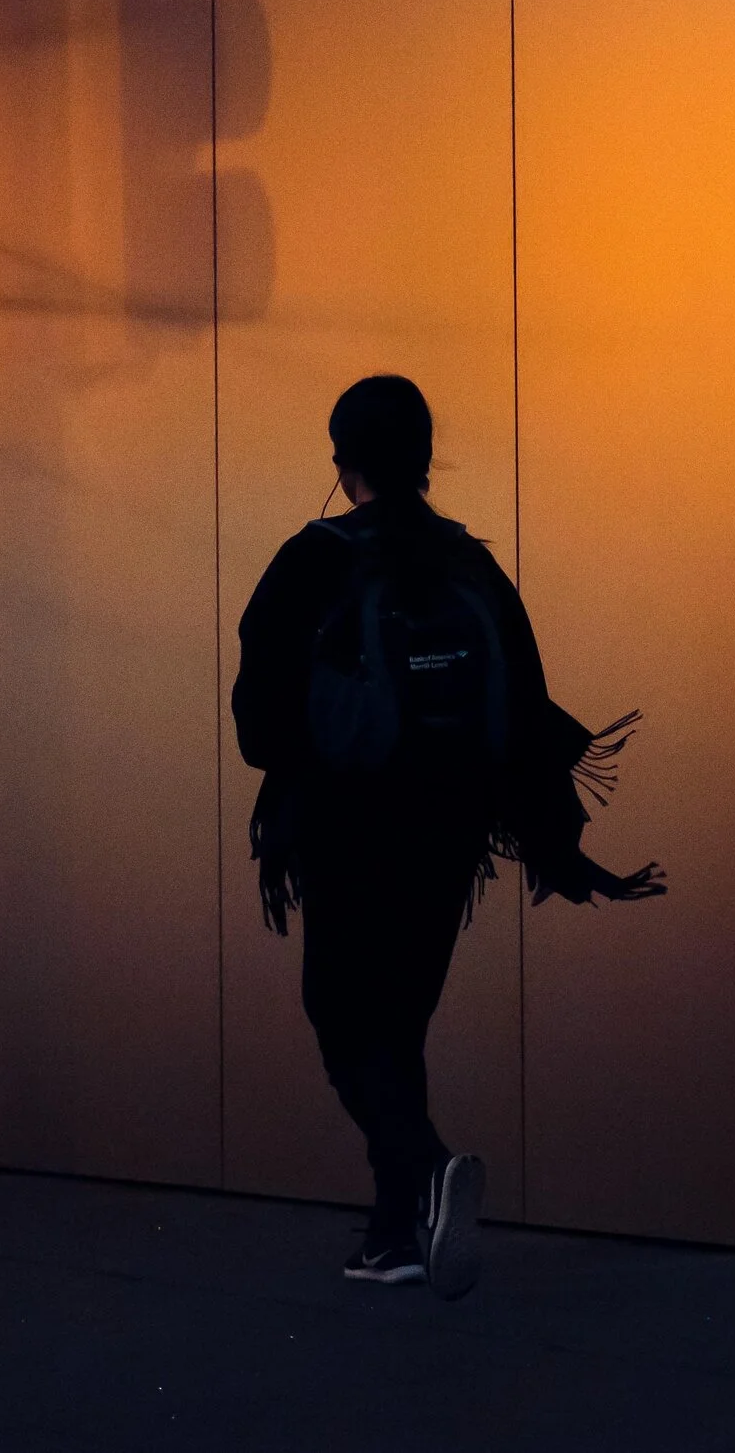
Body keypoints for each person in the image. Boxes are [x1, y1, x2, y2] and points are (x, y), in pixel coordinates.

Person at [231, 375, 663, 1298]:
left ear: (344, 461)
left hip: (350, 831)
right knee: (397, 1024)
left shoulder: (314, 560)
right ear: (425, 458)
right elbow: (529, 711)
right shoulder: (470, 565)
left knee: (343, 1022)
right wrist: (555, 841)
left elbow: (259, 730)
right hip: (451, 833)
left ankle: (426, 1173)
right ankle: (397, 1237)